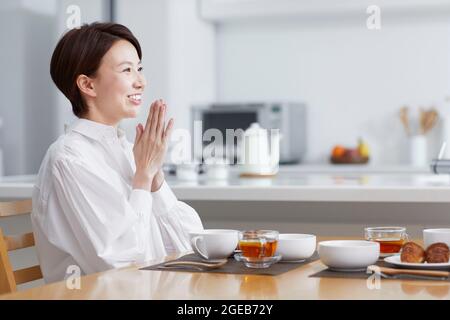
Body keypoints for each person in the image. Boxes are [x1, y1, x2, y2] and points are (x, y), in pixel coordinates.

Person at [31, 22, 204, 283]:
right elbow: (122, 264)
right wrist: (143, 177)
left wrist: (154, 180)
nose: (141, 81)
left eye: (140, 69)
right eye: (127, 70)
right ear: (88, 85)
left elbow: (189, 245)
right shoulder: (69, 158)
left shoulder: (126, 149)